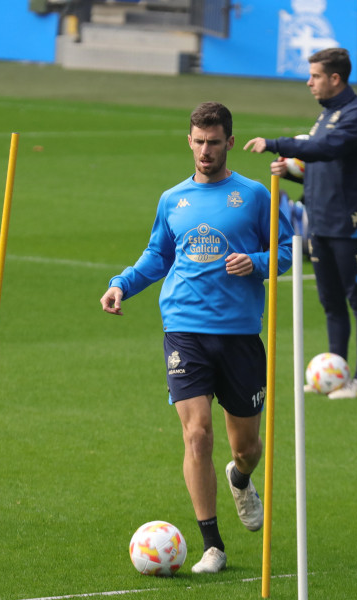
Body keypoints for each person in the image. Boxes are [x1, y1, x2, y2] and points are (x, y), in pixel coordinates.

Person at [100, 102, 293, 573]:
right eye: (198, 141)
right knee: (197, 435)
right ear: (189, 141)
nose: (205, 151)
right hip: (184, 329)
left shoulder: (254, 196)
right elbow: (156, 255)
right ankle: (213, 546)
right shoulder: (173, 199)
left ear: (229, 142)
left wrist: (259, 262)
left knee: (246, 447)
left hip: (240, 335)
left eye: (214, 142)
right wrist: (121, 284)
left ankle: (241, 479)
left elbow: (287, 250)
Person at [244, 47, 357, 399]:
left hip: (351, 226)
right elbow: (321, 170)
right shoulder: (326, 117)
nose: (309, 82)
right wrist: (289, 171)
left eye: (315, 76)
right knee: (331, 302)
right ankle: (336, 376)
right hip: (319, 224)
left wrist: (275, 144)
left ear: (335, 78)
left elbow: (326, 150)